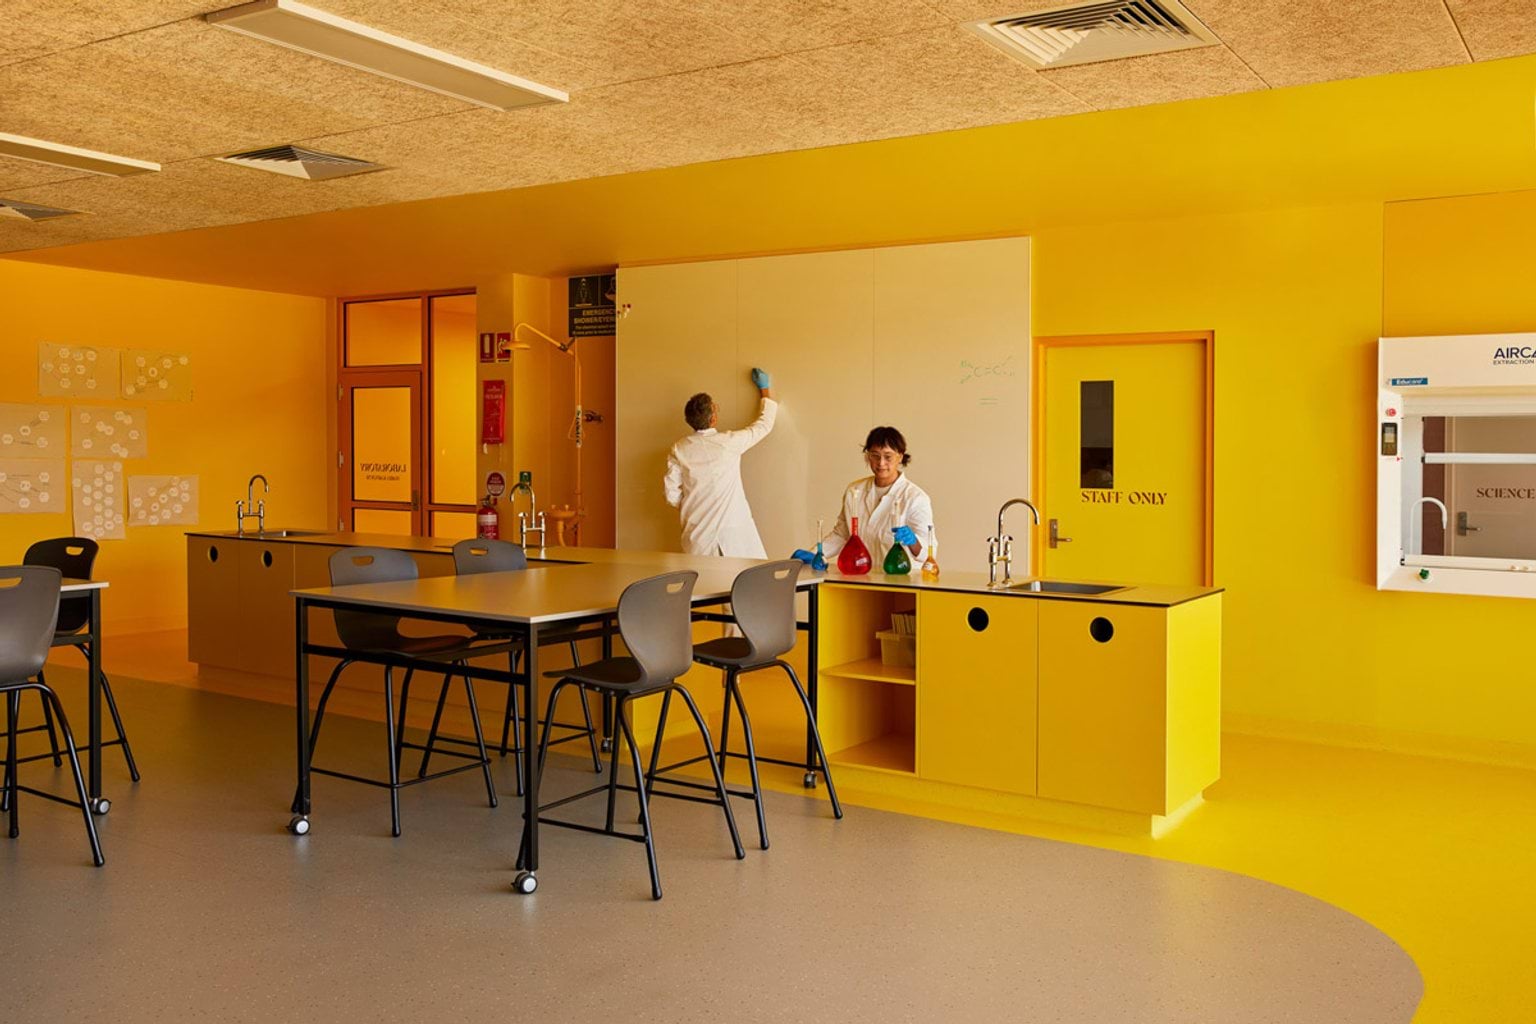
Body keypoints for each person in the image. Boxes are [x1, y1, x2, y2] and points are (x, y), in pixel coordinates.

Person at [663, 368, 777, 557]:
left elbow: (671, 494)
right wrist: (764, 389)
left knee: (704, 586)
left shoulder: (679, 449)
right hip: (736, 538)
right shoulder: (728, 443)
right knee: (747, 584)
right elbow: (764, 425)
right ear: (713, 418)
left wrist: (695, 503)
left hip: (698, 539)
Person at [795, 426, 935, 568]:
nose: (881, 463)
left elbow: (930, 553)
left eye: (888, 457)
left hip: (901, 580)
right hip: (863, 577)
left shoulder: (916, 498)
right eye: (875, 455)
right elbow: (842, 535)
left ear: (900, 456)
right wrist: (814, 554)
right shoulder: (854, 491)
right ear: (868, 455)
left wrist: (913, 542)